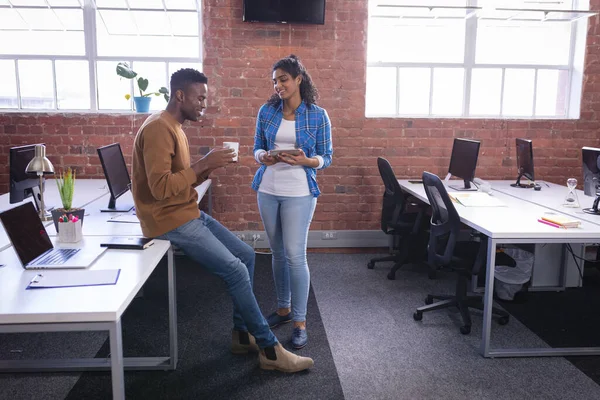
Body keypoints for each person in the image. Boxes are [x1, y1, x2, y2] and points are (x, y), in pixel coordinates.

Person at [131, 68, 313, 373]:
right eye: (200, 98)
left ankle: (242, 336)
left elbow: (177, 181)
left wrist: (205, 169)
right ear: (179, 95)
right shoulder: (158, 129)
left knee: (245, 255)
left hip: (185, 211)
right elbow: (160, 188)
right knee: (236, 270)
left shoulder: (174, 126)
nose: (204, 103)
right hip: (167, 220)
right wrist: (203, 163)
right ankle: (270, 349)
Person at [252, 55, 333, 349]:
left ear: (298, 79)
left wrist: (307, 160)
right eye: (275, 81)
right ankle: (284, 309)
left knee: (295, 256)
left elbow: (326, 157)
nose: (278, 85)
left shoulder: (318, 115)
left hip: (299, 191)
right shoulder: (267, 111)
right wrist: (265, 156)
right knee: (276, 253)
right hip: (268, 189)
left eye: (283, 79)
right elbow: (257, 148)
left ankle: (300, 321)